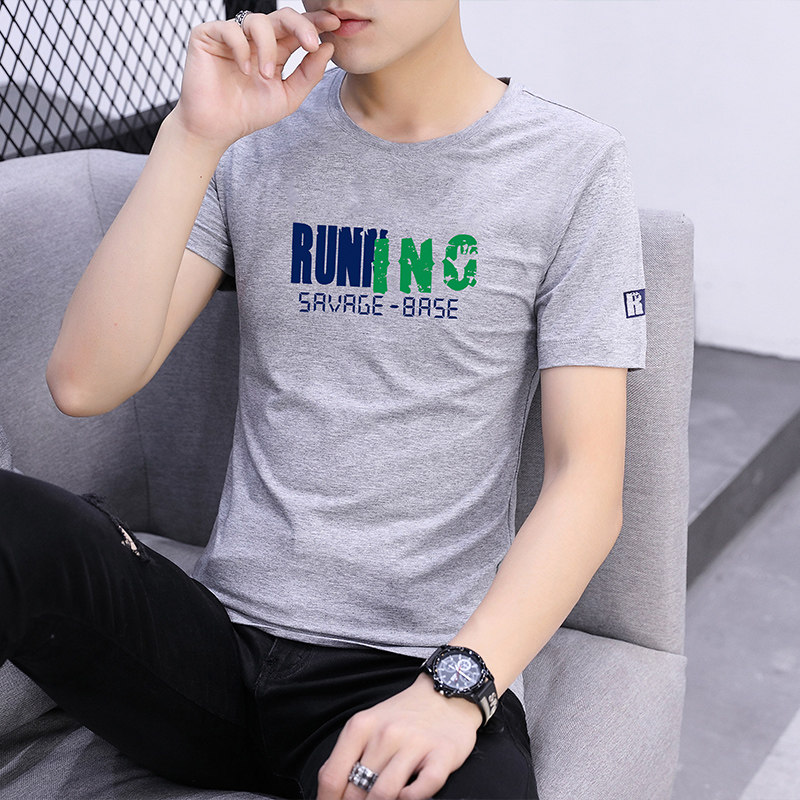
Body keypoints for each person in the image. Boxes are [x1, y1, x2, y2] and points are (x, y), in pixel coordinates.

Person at [1, 2, 646, 799]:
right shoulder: (252, 140)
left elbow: (588, 483)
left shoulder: (572, 165)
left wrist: (457, 687)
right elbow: (85, 382)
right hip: (213, 650)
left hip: (405, 672)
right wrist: (194, 135)